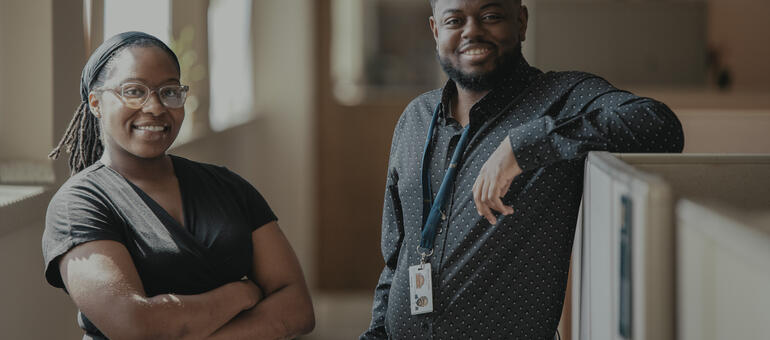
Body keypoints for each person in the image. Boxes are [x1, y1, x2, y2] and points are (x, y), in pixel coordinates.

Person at [361, 0, 684, 339]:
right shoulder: (415, 118)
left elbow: (661, 127)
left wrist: (525, 146)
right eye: (455, 20)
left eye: (490, 16)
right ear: (435, 30)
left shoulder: (561, 99)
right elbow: (397, 257)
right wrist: (376, 332)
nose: (471, 31)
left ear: (521, 21)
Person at [42, 31, 314, 340]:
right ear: (96, 103)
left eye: (170, 91)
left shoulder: (227, 186)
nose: (156, 107)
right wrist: (240, 294)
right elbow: (135, 327)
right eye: (134, 91)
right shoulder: (78, 205)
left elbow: (298, 309)